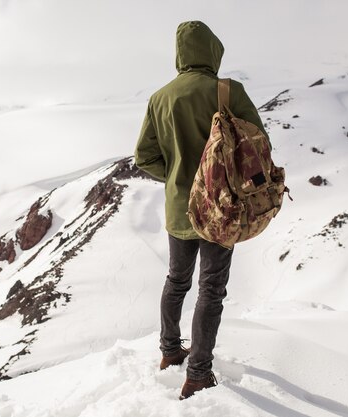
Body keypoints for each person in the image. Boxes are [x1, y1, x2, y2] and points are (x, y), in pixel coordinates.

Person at [133, 21, 270, 400]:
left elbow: (143, 156)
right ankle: (197, 374)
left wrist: (178, 177)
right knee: (211, 289)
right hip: (222, 208)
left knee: (177, 281)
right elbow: (259, 143)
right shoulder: (227, 91)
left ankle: (169, 351)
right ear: (212, 50)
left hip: (180, 208)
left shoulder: (159, 98)